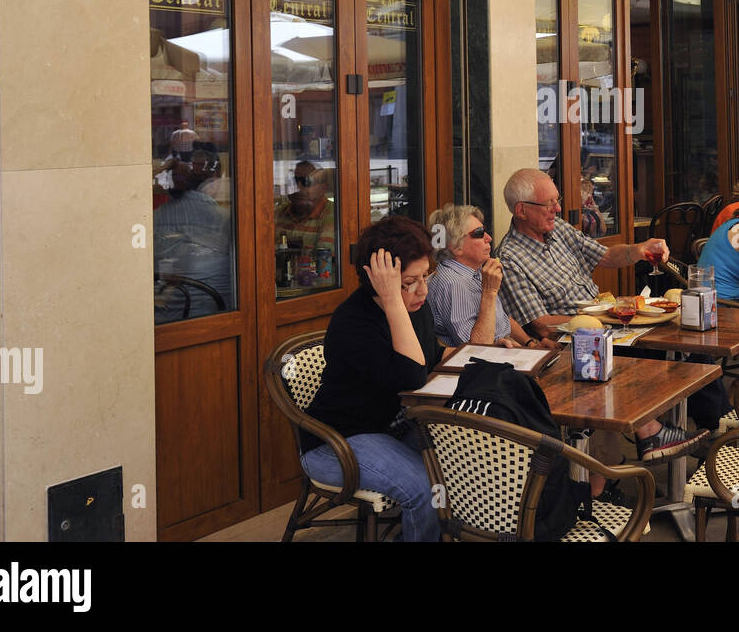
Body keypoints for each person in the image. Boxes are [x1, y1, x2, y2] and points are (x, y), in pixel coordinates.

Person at [496, 168, 707, 460]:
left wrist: (638, 249)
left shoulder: (559, 229)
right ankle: (660, 436)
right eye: (549, 204)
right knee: (653, 361)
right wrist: (608, 313)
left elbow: (606, 255)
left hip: (608, 325)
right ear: (521, 210)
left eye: (557, 201)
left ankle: (708, 429)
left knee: (688, 344)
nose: (557, 209)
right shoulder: (509, 257)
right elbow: (541, 325)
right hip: (572, 341)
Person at [300, 217, 442, 542]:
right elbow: (412, 377)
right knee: (425, 488)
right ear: (380, 280)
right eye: (410, 281)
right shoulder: (354, 323)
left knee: (461, 456)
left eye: (426, 276)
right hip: (338, 442)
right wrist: (393, 299)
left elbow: (430, 357)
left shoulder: (415, 305)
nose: (423, 290)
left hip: (389, 428)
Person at [426, 203, 555, 350]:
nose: (489, 238)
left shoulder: (474, 272)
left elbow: (502, 320)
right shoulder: (452, 283)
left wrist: (531, 344)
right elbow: (476, 349)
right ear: (456, 246)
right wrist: (489, 292)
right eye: (479, 233)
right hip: (482, 364)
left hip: (507, 351)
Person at [153, 160, 233, 319]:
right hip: (217, 304)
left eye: (179, 176)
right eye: (173, 176)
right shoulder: (166, 211)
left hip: (197, 304)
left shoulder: (202, 205)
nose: (175, 180)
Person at [275, 161, 336, 254]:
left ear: (323, 188)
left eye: (306, 181)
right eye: (295, 180)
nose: (298, 187)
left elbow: (323, 257)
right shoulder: (279, 213)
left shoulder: (334, 214)